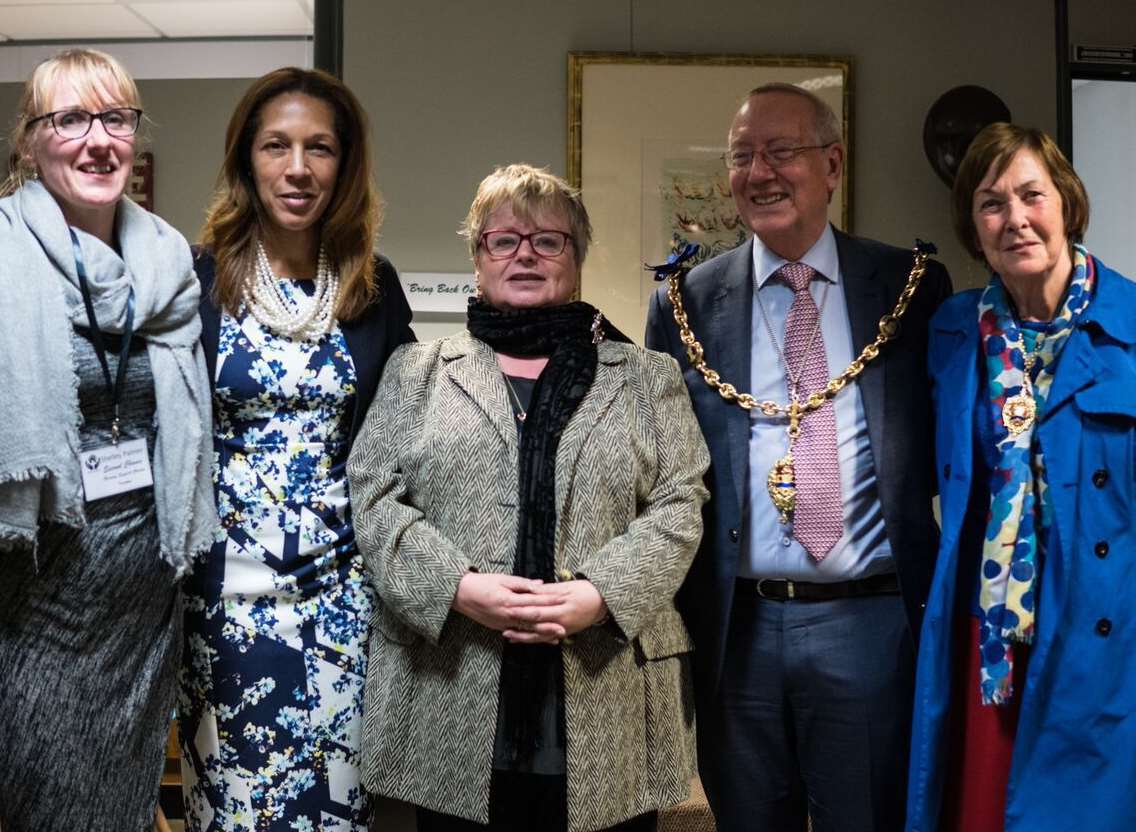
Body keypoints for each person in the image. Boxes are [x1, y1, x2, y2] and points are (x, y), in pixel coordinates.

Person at [347, 163, 709, 832]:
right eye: (503, 239)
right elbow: (374, 500)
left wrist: (600, 593)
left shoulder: (646, 378)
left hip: (609, 689)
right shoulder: (417, 372)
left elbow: (680, 505)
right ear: (477, 257)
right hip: (453, 684)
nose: (525, 255)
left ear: (576, 257)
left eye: (548, 240)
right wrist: (458, 585)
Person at [646, 83, 952, 832]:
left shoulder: (909, 288)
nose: (761, 173)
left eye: (783, 152)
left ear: (834, 164)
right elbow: (656, 464)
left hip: (870, 621)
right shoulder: (685, 301)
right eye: (743, 156)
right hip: (737, 627)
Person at [176, 67, 414, 831]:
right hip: (227, 603)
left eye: (320, 148)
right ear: (247, 159)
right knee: (236, 809)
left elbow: (409, 432)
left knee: (338, 812)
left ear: (346, 165)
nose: (298, 168)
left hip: (344, 599)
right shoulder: (196, 279)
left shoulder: (373, 287)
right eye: (276, 146)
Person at [0, 49, 214, 831]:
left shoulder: (170, 266)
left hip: (145, 598)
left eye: (115, 118)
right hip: (33, 603)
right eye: (70, 119)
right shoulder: (3, 261)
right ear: (28, 142)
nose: (98, 140)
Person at [906, 124, 1136, 832]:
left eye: (1031, 195)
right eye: (991, 204)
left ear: (1066, 202)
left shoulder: (1131, 328)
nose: (1015, 219)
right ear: (974, 228)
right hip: (988, 641)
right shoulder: (949, 333)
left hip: (1106, 644)